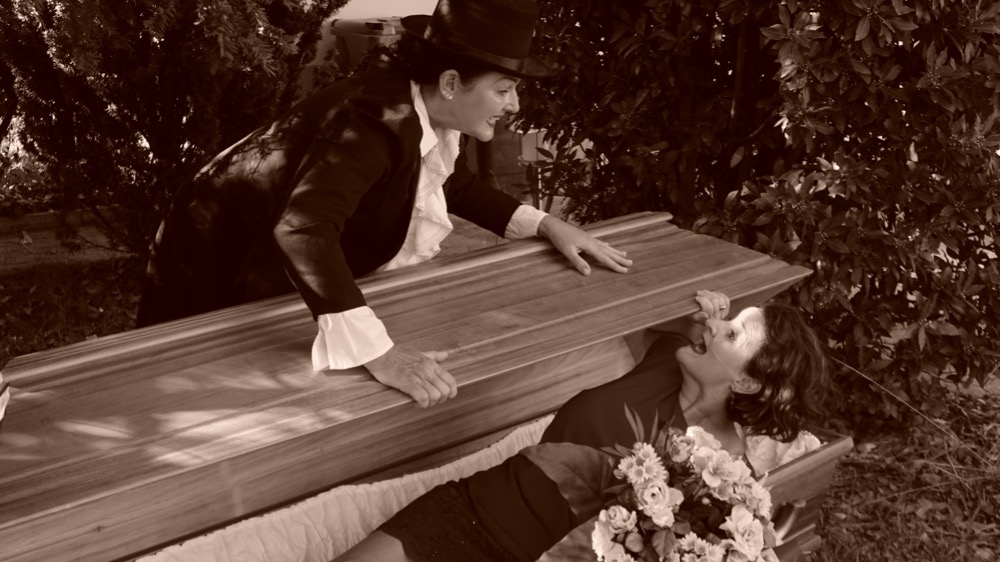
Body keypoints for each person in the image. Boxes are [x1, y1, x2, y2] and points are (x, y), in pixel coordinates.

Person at [135, 0, 632, 408]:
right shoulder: (372, 124)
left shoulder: (421, 108)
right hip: (212, 251)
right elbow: (303, 227)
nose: (514, 105)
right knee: (192, 389)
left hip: (255, 245)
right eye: (503, 90)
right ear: (451, 83)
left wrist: (545, 224)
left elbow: (450, 184)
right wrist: (378, 354)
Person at [333, 290, 831, 562]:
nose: (717, 326)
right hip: (471, 509)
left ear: (746, 382)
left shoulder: (718, 476)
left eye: (734, 334)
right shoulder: (668, 359)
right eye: (729, 319)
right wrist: (695, 315)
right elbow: (641, 312)